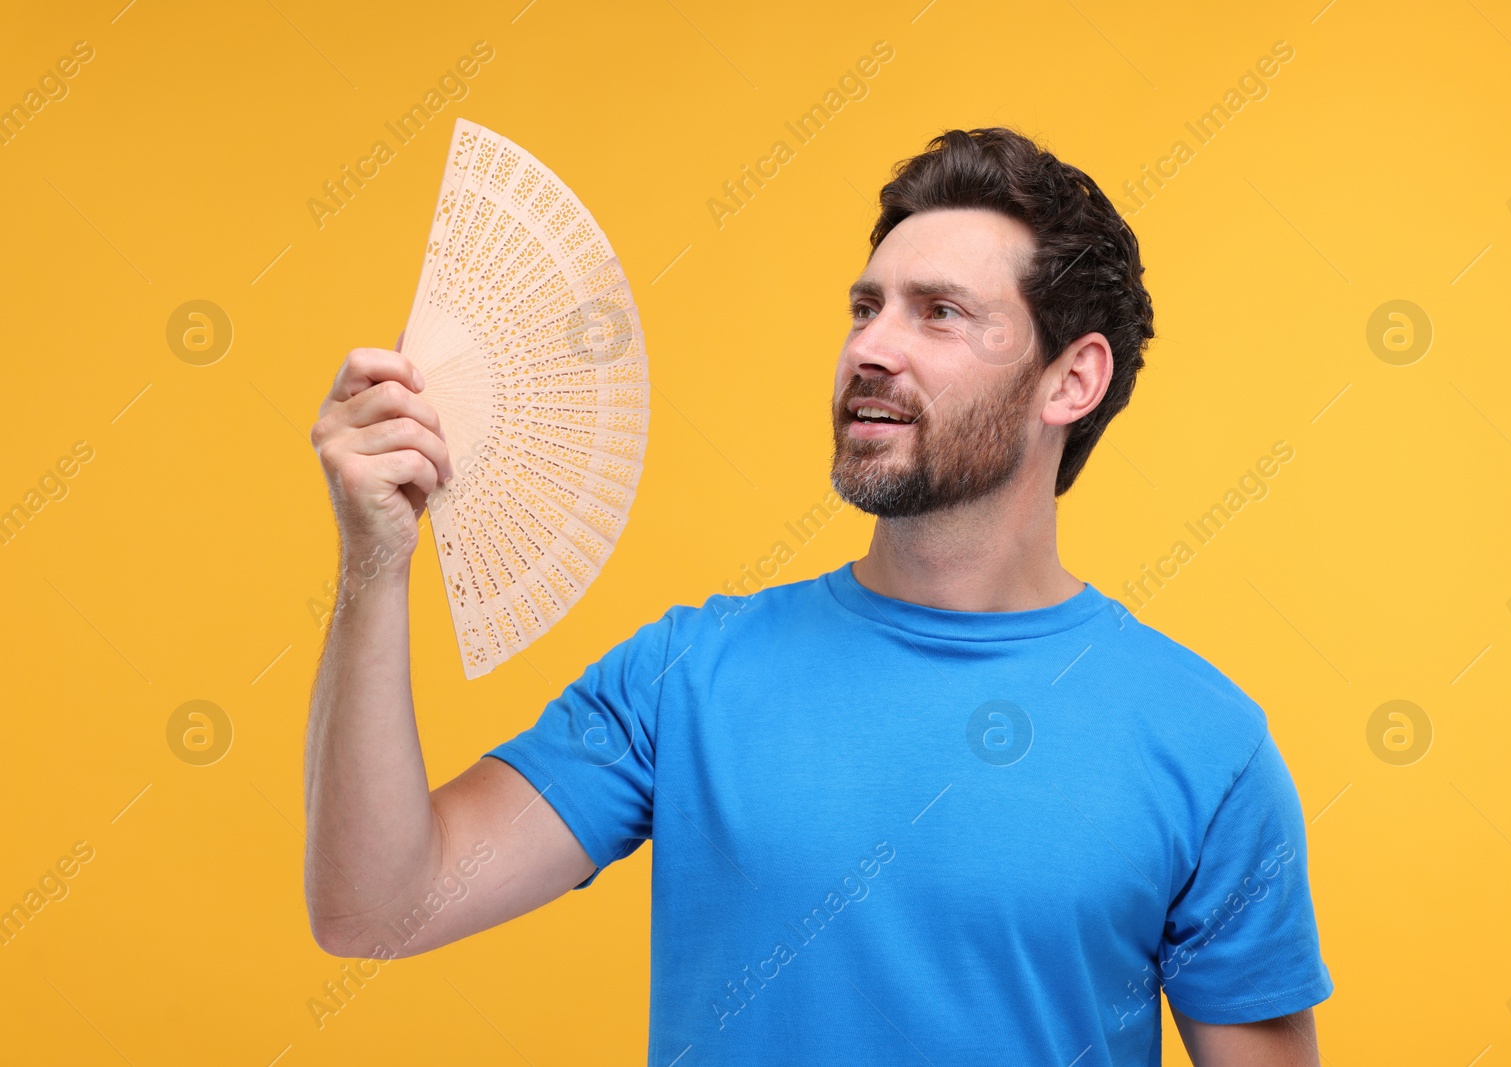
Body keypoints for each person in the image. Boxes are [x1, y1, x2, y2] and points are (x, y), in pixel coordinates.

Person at [305, 126, 1333, 1065]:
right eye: (864, 306)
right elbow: (375, 907)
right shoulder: (685, 676)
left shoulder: (1205, 744)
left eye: (939, 313)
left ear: (1072, 381)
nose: (870, 348)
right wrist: (373, 562)